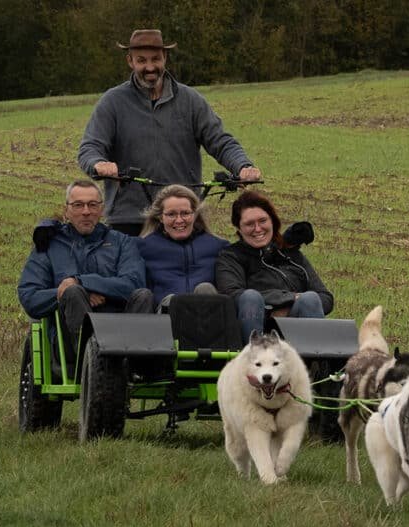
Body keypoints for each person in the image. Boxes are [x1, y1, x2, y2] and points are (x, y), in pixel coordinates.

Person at [77, 29, 263, 236]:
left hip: (183, 216)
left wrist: (243, 166)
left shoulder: (190, 100)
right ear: (130, 61)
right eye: (141, 60)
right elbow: (89, 148)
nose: (150, 67)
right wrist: (98, 164)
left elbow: (220, 141)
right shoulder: (112, 102)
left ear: (165, 58)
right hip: (129, 217)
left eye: (156, 59)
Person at [17, 179, 154, 375]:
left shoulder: (122, 242)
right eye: (78, 205)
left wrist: (82, 282)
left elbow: (134, 283)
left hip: (121, 336)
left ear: (102, 209)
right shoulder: (49, 245)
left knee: (143, 294)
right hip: (69, 349)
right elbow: (30, 296)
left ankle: (135, 366)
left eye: (92, 205)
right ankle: (93, 364)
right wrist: (72, 292)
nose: (86, 211)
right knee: (73, 292)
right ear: (66, 210)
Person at [215, 190, 333, 342]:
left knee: (310, 299)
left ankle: (314, 362)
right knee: (251, 297)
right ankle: (254, 359)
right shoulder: (230, 257)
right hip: (255, 327)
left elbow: (326, 298)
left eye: (262, 221)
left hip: (296, 331)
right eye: (249, 224)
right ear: (239, 229)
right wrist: (283, 302)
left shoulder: (291, 255)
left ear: (273, 221)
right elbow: (232, 295)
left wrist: (289, 306)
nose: (258, 229)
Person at [137, 184, 227, 311]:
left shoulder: (218, 246)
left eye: (185, 213)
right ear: (160, 217)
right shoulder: (143, 247)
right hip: (164, 319)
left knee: (205, 289)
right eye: (171, 214)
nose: (179, 220)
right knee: (172, 300)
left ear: (195, 215)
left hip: (205, 319)